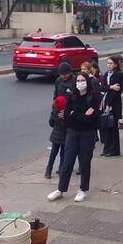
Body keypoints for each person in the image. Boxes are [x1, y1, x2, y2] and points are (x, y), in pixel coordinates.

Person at [47, 72, 100, 203]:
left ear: (87, 82)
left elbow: (93, 120)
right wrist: (83, 116)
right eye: (78, 80)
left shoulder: (93, 97)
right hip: (72, 133)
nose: (80, 83)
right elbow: (66, 116)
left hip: (87, 134)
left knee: (84, 162)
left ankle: (83, 189)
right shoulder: (71, 96)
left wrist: (75, 115)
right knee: (67, 162)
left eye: (83, 80)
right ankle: (60, 189)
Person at [99, 56, 123, 157]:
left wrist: (109, 104)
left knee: (113, 128)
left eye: (111, 63)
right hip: (105, 103)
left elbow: (116, 91)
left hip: (114, 104)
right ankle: (106, 149)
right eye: (108, 63)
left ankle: (114, 150)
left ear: (115, 65)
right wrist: (110, 87)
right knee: (106, 128)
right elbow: (103, 87)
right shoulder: (106, 74)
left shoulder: (118, 74)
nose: (109, 65)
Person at [45, 96, 68, 179]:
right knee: (63, 154)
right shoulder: (66, 113)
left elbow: (51, 123)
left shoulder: (54, 112)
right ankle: (61, 170)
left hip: (55, 136)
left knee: (53, 154)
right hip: (65, 137)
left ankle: (48, 170)